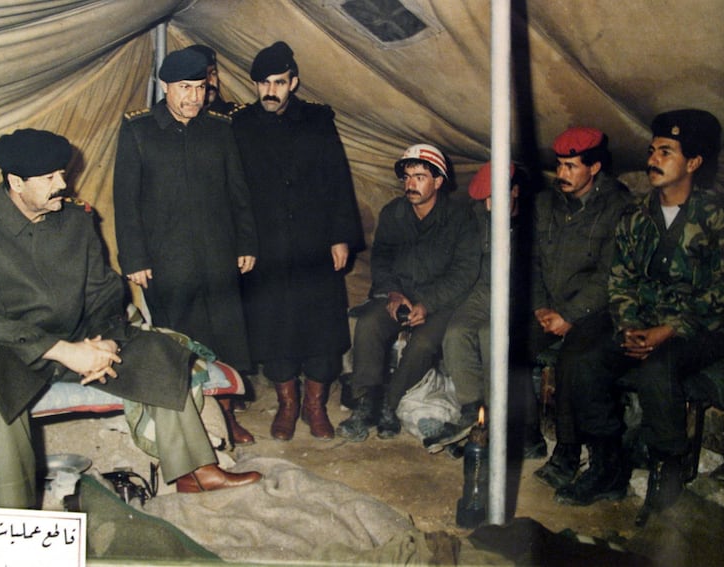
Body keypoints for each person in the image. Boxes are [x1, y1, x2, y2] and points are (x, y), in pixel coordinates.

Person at [0, 129, 261, 508]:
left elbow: (104, 293)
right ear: (15, 182)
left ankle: (195, 471)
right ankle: (18, 514)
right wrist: (63, 352)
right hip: (0, 348)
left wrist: (104, 341)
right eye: (49, 178)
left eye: (63, 173)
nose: (63, 184)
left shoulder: (77, 219)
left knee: (158, 351)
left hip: (78, 338)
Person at [560, 110, 724, 524]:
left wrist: (669, 329)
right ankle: (608, 464)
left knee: (660, 369)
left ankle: (666, 471)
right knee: (585, 358)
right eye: (652, 149)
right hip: (641, 323)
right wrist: (627, 325)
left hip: (701, 328)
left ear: (693, 163)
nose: (653, 159)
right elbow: (619, 279)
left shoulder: (719, 217)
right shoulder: (636, 214)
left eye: (666, 151)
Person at [113, 48, 258, 446]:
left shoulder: (219, 128)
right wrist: (135, 258)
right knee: (179, 341)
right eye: (184, 88)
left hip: (218, 252)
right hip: (165, 259)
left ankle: (226, 418)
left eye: (199, 87)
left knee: (227, 334)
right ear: (164, 87)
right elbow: (125, 202)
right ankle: (191, 428)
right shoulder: (138, 130)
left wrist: (246, 242)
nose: (194, 97)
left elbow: (238, 191)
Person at [231, 41, 364, 441]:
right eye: (262, 84)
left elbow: (339, 179)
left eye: (279, 83)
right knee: (275, 326)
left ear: (294, 82)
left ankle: (315, 406)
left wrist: (341, 237)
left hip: (314, 244)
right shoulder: (241, 125)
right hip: (267, 246)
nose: (270, 91)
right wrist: (243, 243)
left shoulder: (319, 121)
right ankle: (287, 405)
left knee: (321, 325)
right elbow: (234, 191)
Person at [336, 144, 479, 442]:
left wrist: (428, 304)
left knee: (425, 342)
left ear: (438, 181)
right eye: (407, 177)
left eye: (420, 177)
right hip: (398, 296)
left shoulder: (460, 218)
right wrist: (392, 292)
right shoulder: (393, 213)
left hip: (439, 302)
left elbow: (464, 272)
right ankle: (365, 403)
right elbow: (382, 258)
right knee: (368, 325)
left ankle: (390, 403)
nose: (411, 184)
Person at [530, 127, 633, 494]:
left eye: (571, 166)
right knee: (509, 343)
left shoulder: (619, 206)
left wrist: (570, 316)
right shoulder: (546, 202)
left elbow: (610, 274)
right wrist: (541, 306)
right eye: (559, 165)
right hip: (549, 305)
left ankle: (572, 452)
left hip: (594, 311)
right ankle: (528, 435)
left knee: (575, 360)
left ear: (595, 168)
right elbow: (534, 260)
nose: (562, 175)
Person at [425, 162, 545, 457]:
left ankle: (519, 424)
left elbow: (542, 273)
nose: (490, 206)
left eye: (496, 197)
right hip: (484, 289)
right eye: (485, 200)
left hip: (522, 294)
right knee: (456, 332)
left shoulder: (537, 221)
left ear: (515, 191)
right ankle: (474, 410)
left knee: (493, 335)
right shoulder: (478, 217)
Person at [183, 44, 238, 114]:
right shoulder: (181, 115)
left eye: (213, 73)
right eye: (204, 75)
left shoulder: (233, 115)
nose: (211, 82)